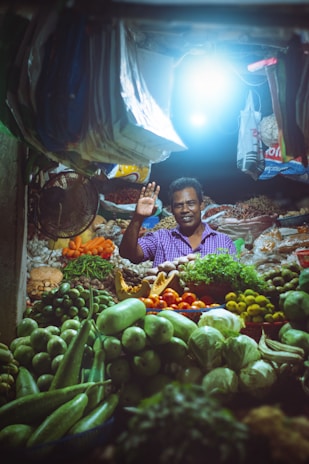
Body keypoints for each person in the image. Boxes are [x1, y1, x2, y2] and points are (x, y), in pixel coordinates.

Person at [119, 177, 237, 267]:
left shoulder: (223, 241)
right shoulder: (161, 238)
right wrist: (137, 218)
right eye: (178, 205)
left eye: (191, 203)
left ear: (201, 205)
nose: (185, 210)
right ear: (172, 210)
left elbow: (233, 279)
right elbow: (128, 254)